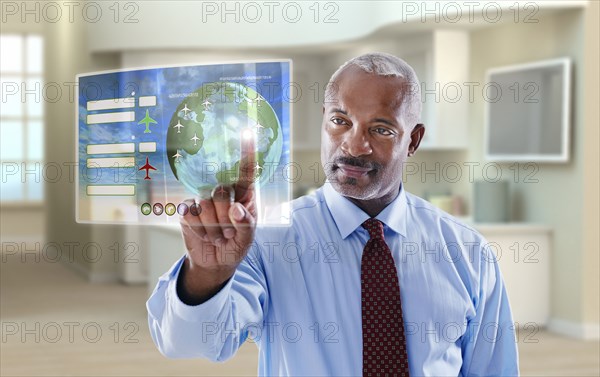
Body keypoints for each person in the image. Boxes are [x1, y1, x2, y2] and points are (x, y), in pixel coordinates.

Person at [147, 52, 519, 376]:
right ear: (324, 118)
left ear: (414, 140)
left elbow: (493, 370)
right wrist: (208, 274)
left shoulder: (468, 252)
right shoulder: (267, 240)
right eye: (340, 121)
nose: (355, 145)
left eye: (381, 129)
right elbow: (189, 343)